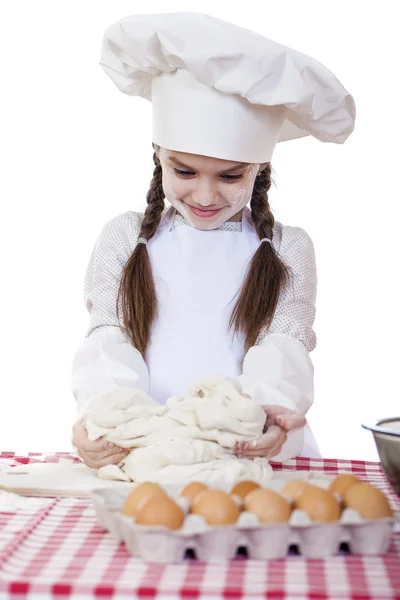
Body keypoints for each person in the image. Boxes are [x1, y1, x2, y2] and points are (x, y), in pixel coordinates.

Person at [71, 12, 355, 470]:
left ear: (259, 169)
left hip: (250, 451)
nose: (205, 195)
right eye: (183, 171)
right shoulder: (125, 238)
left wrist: (267, 413)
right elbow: (109, 339)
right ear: (159, 157)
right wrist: (102, 415)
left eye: (230, 176)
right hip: (146, 451)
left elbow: (284, 344)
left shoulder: (287, 248)